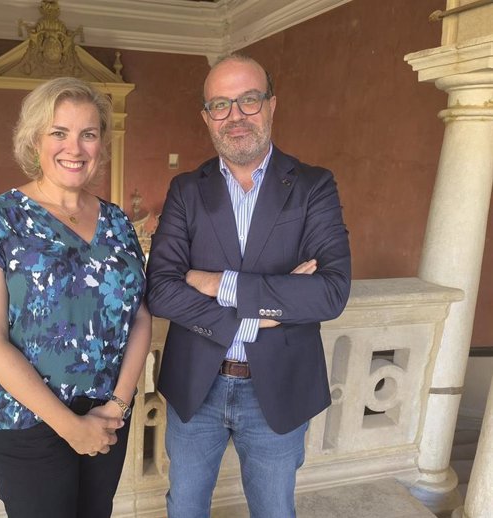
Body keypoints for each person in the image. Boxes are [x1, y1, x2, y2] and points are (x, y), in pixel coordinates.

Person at [146, 54, 351, 518]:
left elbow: (330, 292)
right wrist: (262, 312)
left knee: (275, 510)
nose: (235, 115)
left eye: (249, 100)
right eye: (221, 104)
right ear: (206, 117)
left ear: (272, 105)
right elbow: (160, 288)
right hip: (196, 385)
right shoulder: (186, 190)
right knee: (185, 507)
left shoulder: (313, 186)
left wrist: (217, 282)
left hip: (277, 387)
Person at [0, 77, 151, 518]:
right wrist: (71, 428)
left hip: (106, 414)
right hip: (26, 421)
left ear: (101, 143)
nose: (74, 148)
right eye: (59, 132)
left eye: (88, 134)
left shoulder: (116, 222)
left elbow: (139, 317)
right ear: (34, 140)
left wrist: (116, 406)